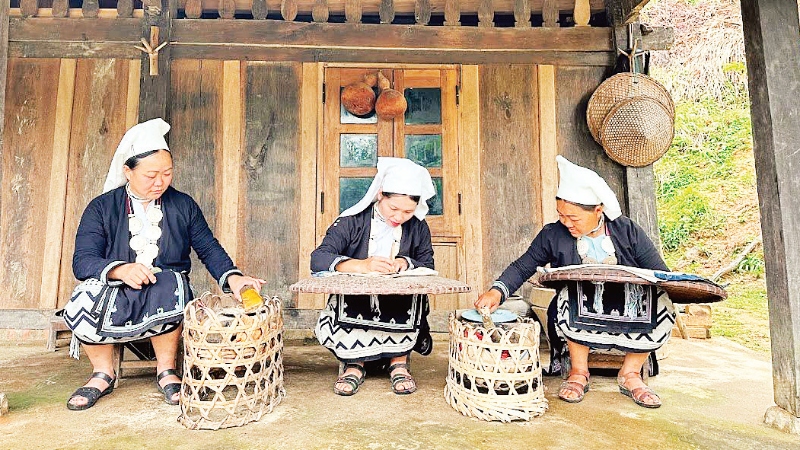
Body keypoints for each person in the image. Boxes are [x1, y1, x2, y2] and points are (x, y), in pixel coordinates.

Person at [63, 118, 265, 410]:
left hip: (163, 286)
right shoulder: (101, 207)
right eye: (151, 175)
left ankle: (166, 370)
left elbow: (208, 248)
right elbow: (83, 260)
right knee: (84, 296)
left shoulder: (183, 205)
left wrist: (233, 278)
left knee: (172, 282)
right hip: (115, 287)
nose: (160, 182)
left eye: (167, 174)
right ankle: (102, 373)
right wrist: (120, 269)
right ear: (128, 171)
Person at [474, 155, 674, 408]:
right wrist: (496, 292)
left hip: (629, 307)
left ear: (598, 210)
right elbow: (523, 265)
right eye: (561, 215)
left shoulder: (627, 231)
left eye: (574, 218)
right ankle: (579, 372)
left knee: (661, 301)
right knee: (572, 291)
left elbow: (660, 272)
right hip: (581, 306)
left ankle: (630, 374)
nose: (566, 223)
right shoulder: (553, 234)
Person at [311, 157, 436, 396]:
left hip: (399, 303)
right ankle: (354, 363)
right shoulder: (352, 221)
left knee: (410, 297)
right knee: (355, 299)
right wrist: (360, 265)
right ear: (380, 195)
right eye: (394, 208)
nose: (399, 217)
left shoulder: (418, 227)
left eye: (408, 211)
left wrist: (404, 263)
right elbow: (318, 258)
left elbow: (427, 263)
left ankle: (398, 360)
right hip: (355, 301)